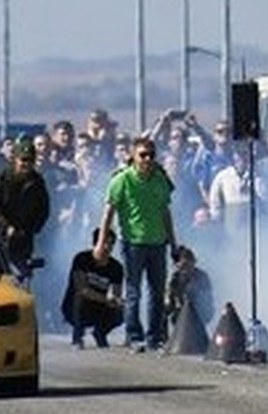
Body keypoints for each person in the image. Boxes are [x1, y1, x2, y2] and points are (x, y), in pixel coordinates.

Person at [94, 136, 177, 353]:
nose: (147, 159)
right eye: (142, 155)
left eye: (151, 155)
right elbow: (108, 213)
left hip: (158, 243)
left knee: (157, 292)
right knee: (133, 291)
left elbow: (165, 212)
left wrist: (173, 243)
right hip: (133, 243)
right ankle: (134, 335)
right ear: (133, 156)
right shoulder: (121, 180)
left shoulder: (160, 180)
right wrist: (101, 243)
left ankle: (154, 336)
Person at [0, 139, 50, 278]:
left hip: (24, 237)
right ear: (15, 159)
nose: (26, 164)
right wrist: (6, 227)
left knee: (22, 274)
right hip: (1, 237)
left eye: (30, 161)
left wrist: (30, 229)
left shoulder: (37, 181)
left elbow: (43, 209)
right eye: (23, 160)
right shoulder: (2, 178)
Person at [60, 227, 123, 349]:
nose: (107, 247)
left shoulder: (116, 267)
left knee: (122, 311)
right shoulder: (81, 259)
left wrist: (116, 301)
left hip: (99, 307)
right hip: (75, 308)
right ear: (95, 243)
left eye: (111, 244)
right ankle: (77, 337)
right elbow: (81, 289)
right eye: (104, 243)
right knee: (80, 298)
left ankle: (100, 333)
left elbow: (116, 293)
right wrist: (106, 299)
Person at [166, 246, 214, 331]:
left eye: (189, 265)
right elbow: (169, 302)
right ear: (177, 266)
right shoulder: (174, 280)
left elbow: (207, 300)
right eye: (183, 266)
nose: (186, 269)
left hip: (199, 310)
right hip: (180, 312)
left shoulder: (202, 277)